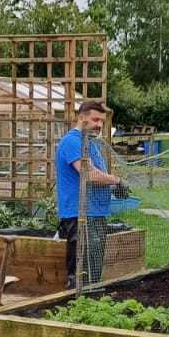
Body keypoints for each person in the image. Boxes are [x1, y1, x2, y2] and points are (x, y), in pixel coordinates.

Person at [55, 101, 128, 288]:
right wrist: (116, 180)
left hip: (94, 213)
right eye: (95, 119)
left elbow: (96, 176)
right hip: (79, 215)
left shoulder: (90, 144)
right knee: (81, 272)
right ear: (81, 117)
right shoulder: (72, 141)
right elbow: (89, 174)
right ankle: (74, 306)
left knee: (93, 271)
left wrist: (112, 187)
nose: (99, 125)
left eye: (102, 121)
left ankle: (88, 302)